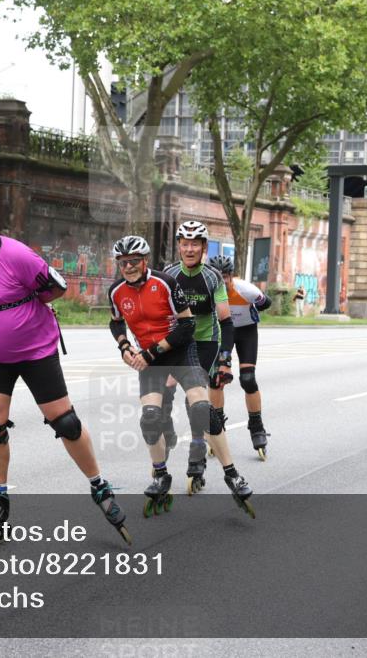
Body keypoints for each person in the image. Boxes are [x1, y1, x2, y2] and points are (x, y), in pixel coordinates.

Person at [0, 196, 130, 546]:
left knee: (65, 422)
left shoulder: (17, 256)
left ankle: (99, 485)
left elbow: (55, 286)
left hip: (35, 350)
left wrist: (21, 314)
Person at [108, 235, 254, 517]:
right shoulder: (116, 292)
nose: (129, 267)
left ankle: (232, 474)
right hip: (150, 360)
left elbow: (187, 326)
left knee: (201, 409)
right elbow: (115, 322)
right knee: (149, 418)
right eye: (124, 262)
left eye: (135, 261)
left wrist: (152, 351)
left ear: (145, 261)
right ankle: (161, 476)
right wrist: (124, 346)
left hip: (180, 352)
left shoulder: (165, 283)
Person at [162, 221, 255, 500]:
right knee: (162, 397)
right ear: (179, 246)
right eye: (185, 243)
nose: (189, 248)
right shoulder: (169, 274)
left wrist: (225, 360)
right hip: (178, 341)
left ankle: (207, 460)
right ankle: (163, 467)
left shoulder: (213, 277)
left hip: (204, 342)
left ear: (204, 247)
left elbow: (226, 323)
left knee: (197, 402)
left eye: (195, 244)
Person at [208, 255, 273, 460]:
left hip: (246, 332)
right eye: (217, 277)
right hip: (221, 333)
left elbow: (265, 302)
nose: (222, 282)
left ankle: (257, 427)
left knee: (248, 379)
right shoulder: (206, 291)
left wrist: (253, 307)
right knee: (217, 380)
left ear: (231, 276)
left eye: (225, 277)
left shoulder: (246, 289)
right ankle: (217, 426)